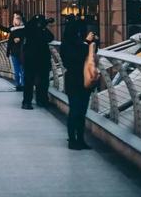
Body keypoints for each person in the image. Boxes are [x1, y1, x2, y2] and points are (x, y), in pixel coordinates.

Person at [60, 16, 98, 150]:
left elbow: (90, 57)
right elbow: (74, 58)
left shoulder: (79, 43)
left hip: (83, 81)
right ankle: (72, 140)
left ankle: (80, 139)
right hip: (74, 80)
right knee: (75, 111)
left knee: (82, 112)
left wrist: (93, 43)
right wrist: (86, 43)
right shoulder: (66, 44)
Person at [21, 14, 54, 110]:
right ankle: (35, 101)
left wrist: (42, 27)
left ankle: (33, 101)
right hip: (37, 59)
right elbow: (49, 37)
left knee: (36, 81)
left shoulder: (33, 29)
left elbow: (50, 37)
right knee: (36, 81)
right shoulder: (33, 29)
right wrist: (42, 28)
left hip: (35, 60)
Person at [0, 11, 26, 91]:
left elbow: (27, 36)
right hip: (14, 52)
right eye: (14, 18)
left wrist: (20, 39)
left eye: (17, 18)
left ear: (21, 19)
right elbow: (6, 29)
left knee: (22, 70)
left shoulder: (25, 28)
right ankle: (18, 85)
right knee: (16, 70)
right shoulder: (12, 28)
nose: (15, 19)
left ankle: (23, 85)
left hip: (23, 52)